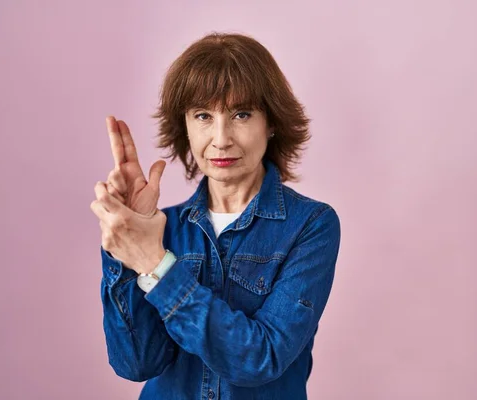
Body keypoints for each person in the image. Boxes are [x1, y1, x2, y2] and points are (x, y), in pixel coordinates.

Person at [90, 32, 341, 400]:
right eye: (204, 116)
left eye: (241, 114)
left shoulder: (311, 225)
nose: (221, 138)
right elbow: (136, 364)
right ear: (186, 126)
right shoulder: (162, 227)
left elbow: (262, 357)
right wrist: (125, 242)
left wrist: (155, 263)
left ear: (270, 123)